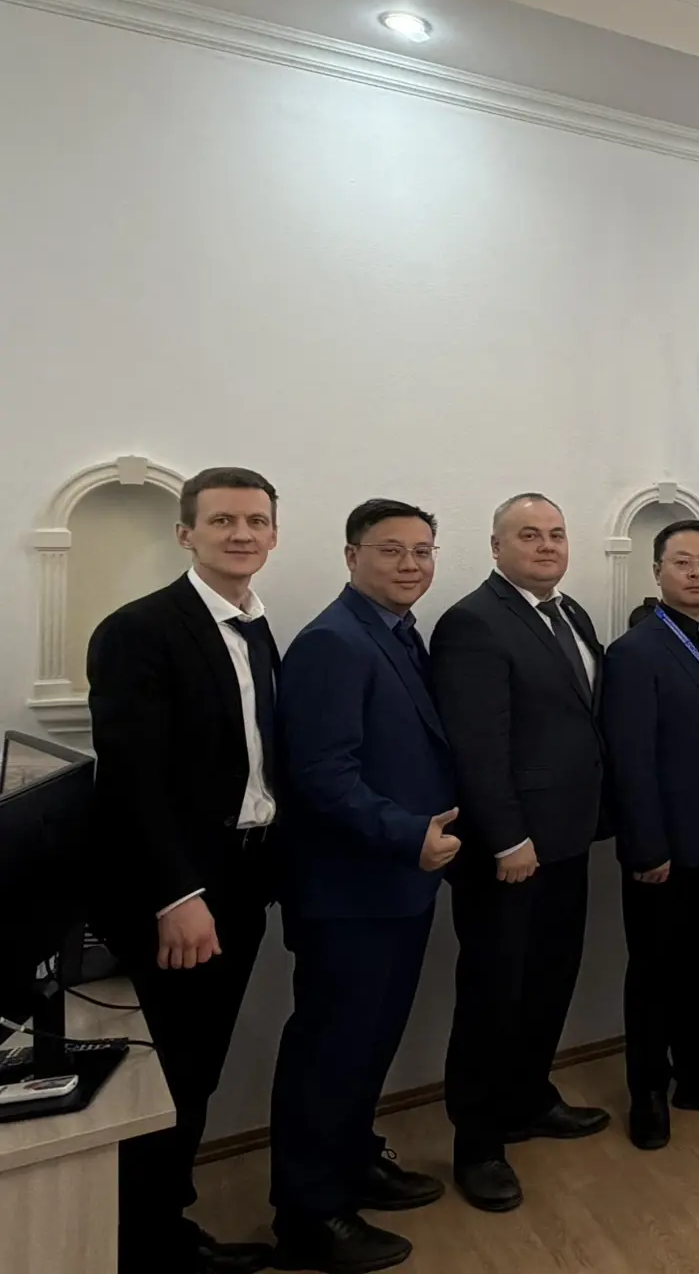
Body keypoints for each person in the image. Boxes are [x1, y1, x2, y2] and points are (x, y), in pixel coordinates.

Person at [87, 466, 283, 1274]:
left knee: (198, 1069)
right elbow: (130, 778)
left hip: (243, 879)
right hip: (184, 892)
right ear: (185, 534)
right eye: (223, 520)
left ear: (274, 534)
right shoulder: (139, 630)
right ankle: (147, 1244)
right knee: (170, 1073)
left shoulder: (258, 627)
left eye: (256, 521)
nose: (242, 534)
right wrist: (177, 894)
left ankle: (165, 1229)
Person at [269, 500, 457, 1272]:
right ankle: (309, 1215)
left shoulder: (398, 633)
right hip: (350, 892)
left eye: (423, 551)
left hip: (398, 886)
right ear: (352, 557)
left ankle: (351, 1162)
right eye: (391, 550)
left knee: (368, 1044)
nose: (411, 564)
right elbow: (322, 777)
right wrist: (410, 834)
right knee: (330, 1051)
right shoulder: (332, 643)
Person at [432, 493, 610, 1214]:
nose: (546, 545)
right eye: (529, 535)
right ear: (496, 547)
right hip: (509, 852)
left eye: (556, 534)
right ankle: (477, 1144)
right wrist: (508, 837)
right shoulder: (473, 622)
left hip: (567, 840)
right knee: (493, 996)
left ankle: (528, 1099)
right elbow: (476, 747)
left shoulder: (571, 614)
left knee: (549, 981)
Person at [601, 519, 699, 1151]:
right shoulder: (634, 652)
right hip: (664, 849)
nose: (696, 573)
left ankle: (697, 1074)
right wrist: (646, 847)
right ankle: (648, 1090)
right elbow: (630, 761)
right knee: (652, 973)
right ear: (658, 572)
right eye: (683, 562)